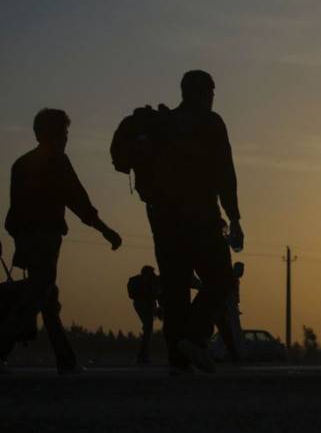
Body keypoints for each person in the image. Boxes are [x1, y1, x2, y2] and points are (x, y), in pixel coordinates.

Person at [0, 109, 122, 374]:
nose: (67, 138)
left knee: (47, 297)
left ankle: (66, 360)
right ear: (56, 134)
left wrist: (19, 239)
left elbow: (14, 213)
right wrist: (105, 230)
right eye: (65, 132)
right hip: (45, 238)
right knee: (36, 296)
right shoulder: (57, 161)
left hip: (26, 238)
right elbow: (78, 200)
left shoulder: (20, 165)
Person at [145, 71, 244, 374]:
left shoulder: (163, 124)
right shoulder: (211, 124)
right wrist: (235, 218)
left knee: (175, 289)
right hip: (201, 217)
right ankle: (196, 337)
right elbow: (224, 173)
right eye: (211, 92)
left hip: (164, 221)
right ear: (203, 93)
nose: (213, 98)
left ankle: (178, 358)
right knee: (222, 279)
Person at [127, 265, 162, 364]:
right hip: (143, 304)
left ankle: (143, 355)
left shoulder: (137, 280)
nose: (154, 275)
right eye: (152, 273)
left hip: (144, 304)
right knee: (148, 328)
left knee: (148, 328)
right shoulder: (141, 281)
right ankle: (142, 356)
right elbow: (155, 293)